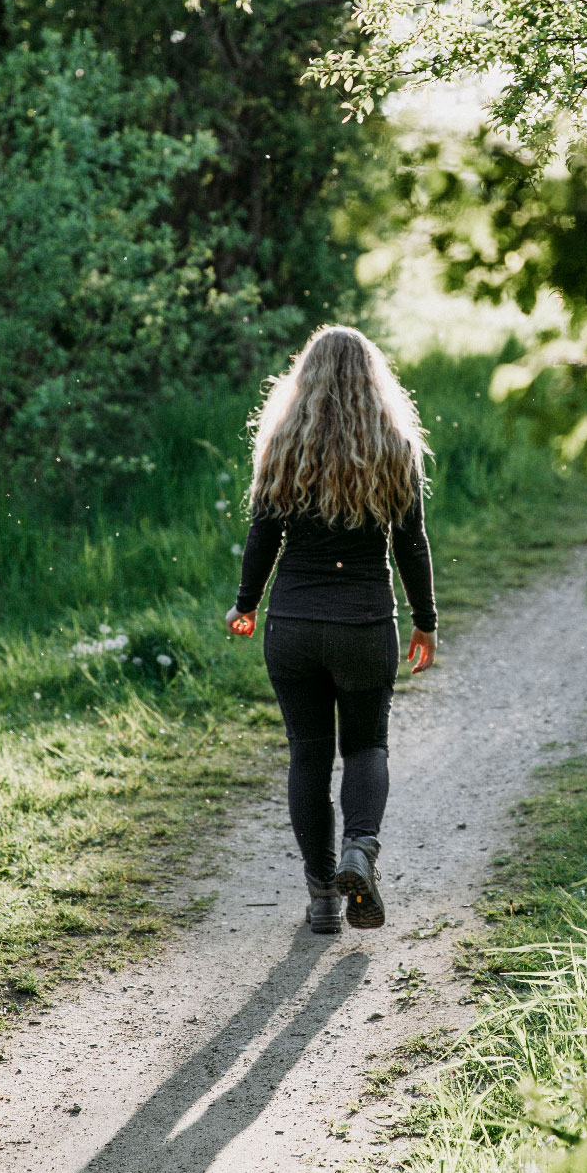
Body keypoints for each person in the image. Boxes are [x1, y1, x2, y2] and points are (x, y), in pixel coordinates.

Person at [225, 326, 437, 935]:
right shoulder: (395, 446)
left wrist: (246, 603)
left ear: (305, 378)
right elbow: (412, 544)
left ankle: (321, 898)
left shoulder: (284, 445)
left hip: (292, 625)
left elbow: (262, 535)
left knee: (307, 758)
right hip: (366, 626)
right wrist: (425, 620)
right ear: (375, 380)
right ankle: (358, 852)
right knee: (367, 745)